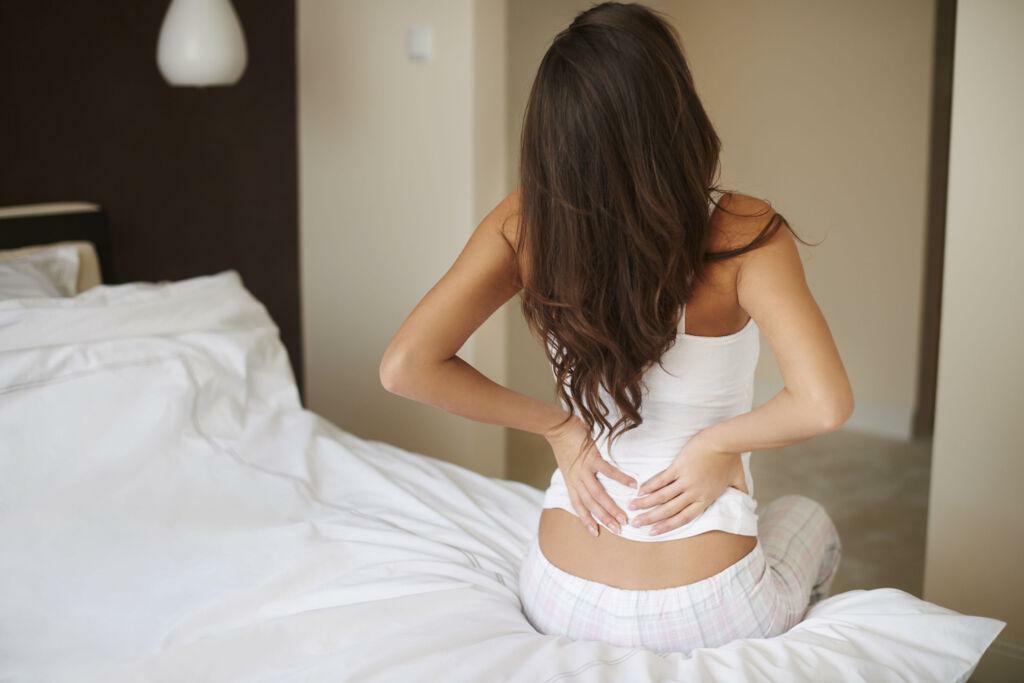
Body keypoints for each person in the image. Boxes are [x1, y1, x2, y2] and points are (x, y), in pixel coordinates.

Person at [379, 1, 851, 654]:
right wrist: (717, 446)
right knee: (810, 520)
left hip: (559, 593)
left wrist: (560, 427)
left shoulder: (524, 225)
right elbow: (825, 402)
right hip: (709, 604)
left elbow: (405, 365)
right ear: (675, 113)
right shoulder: (745, 233)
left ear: (550, 137)